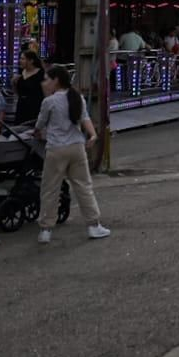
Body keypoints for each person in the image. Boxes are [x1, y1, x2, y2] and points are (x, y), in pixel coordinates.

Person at [34, 66, 109, 244]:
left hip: (56, 149)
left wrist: (37, 132)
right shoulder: (77, 98)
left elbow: (39, 125)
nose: (44, 83)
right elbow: (85, 119)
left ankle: (46, 229)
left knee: (50, 189)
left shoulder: (49, 102)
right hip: (77, 147)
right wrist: (93, 135)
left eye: (46, 79)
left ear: (56, 80)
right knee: (83, 186)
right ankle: (93, 225)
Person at [13, 49, 46, 124]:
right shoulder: (22, 73)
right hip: (21, 105)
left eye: (23, 59)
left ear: (31, 61)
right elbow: (18, 92)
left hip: (34, 106)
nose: (20, 61)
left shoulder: (40, 74)